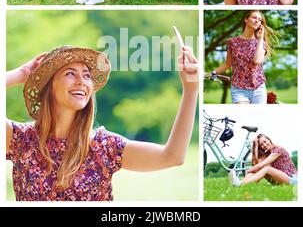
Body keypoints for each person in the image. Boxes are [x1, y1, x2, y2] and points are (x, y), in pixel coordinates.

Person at [6, 45, 198, 201]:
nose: (82, 81)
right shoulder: (20, 140)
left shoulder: (103, 146)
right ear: (49, 85)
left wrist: (191, 90)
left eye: (87, 75)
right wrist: (22, 73)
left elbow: (172, 156)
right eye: (70, 73)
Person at [209, 10, 278, 104]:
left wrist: (260, 38)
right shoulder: (232, 42)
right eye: (254, 17)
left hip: (258, 88)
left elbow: (257, 60)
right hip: (239, 89)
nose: (257, 21)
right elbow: (227, 64)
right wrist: (212, 73)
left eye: (259, 20)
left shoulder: (262, 43)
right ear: (246, 19)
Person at [229, 133, 297, 186]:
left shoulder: (278, 150)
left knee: (266, 168)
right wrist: (255, 146)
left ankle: (240, 184)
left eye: (265, 141)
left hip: (292, 179)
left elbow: (259, 166)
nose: (264, 145)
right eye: (261, 144)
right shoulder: (268, 153)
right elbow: (256, 164)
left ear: (269, 140)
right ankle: (240, 183)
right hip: (279, 178)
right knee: (257, 169)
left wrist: (248, 170)